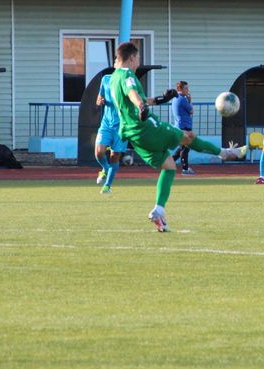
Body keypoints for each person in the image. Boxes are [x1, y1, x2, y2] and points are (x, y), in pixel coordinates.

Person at [109, 42, 246, 231]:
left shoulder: (113, 78)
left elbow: (132, 98)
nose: (138, 63)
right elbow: (133, 94)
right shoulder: (126, 75)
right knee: (187, 136)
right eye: (138, 59)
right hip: (146, 127)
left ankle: (159, 210)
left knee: (169, 166)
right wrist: (142, 106)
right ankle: (224, 153)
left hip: (133, 134)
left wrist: (160, 99)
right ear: (131, 58)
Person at [94, 63, 127, 195]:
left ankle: (107, 185)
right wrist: (99, 100)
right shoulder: (106, 79)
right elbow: (99, 97)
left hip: (122, 125)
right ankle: (106, 168)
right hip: (106, 123)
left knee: (115, 156)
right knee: (99, 152)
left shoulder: (127, 82)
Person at [170, 81, 195, 175]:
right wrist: (190, 101)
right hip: (184, 126)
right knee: (186, 148)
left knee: (181, 148)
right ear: (180, 89)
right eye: (186, 88)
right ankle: (185, 169)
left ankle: (170, 162)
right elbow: (191, 110)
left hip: (179, 125)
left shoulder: (175, 98)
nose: (187, 90)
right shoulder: (182, 99)